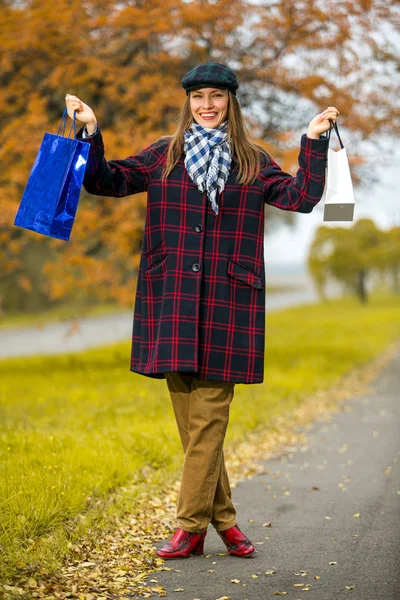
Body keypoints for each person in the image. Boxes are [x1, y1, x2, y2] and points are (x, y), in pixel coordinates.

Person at [65, 62, 339, 560]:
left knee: (208, 421)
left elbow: (302, 197)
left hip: (226, 308)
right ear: (187, 102)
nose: (207, 104)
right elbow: (104, 181)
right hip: (170, 302)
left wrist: (314, 141)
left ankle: (189, 528)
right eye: (198, 96)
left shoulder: (252, 161)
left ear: (230, 102)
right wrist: (90, 130)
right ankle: (228, 524)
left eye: (216, 95)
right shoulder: (162, 157)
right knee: (197, 430)